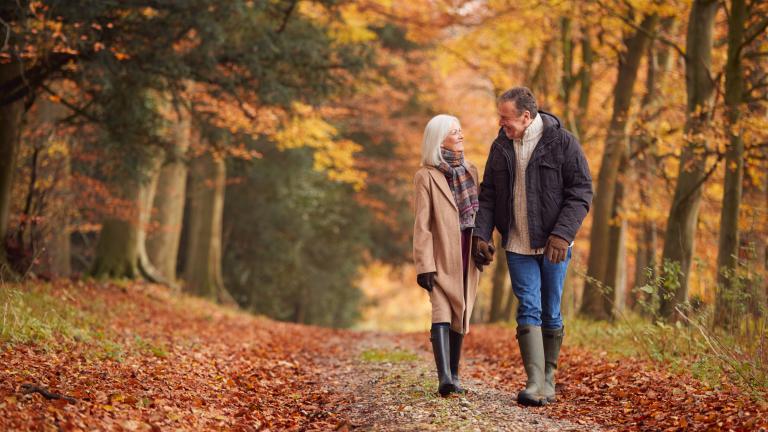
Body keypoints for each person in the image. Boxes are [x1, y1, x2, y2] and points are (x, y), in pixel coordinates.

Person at [473, 87, 593, 406]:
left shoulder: (563, 143)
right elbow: (488, 196)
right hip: (517, 244)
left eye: (506, 117)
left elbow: (581, 191)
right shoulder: (500, 146)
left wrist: (563, 234)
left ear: (526, 117)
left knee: (551, 309)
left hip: (554, 245)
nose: (501, 123)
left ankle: (549, 380)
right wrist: (481, 235)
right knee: (529, 305)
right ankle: (534, 382)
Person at [413, 114, 486, 397]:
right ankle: (445, 378)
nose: (460, 135)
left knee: (462, 311)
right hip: (441, 253)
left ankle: (455, 375)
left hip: (467, 251)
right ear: (438, 138)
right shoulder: (425, 176)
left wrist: (483, 243)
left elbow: (480, 214)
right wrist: (424, 265)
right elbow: (421, 225)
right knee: (441, 309)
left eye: (460, 130)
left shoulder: (472, 171)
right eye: (454, 132)